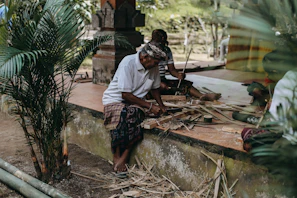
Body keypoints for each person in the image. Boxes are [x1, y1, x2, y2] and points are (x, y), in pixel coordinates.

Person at [102, 41, 167, 173]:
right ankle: (117, 155)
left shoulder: (152, 66)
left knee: (134, 115)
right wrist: (150, 106)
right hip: (115, 100)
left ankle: (125, 156)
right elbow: (125, 94)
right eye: (155, 62)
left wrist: (161, 106)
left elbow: (155, 89)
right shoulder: (128, 62)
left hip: (136, 103)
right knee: (123, 116)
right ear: (144, 57)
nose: (156, 65)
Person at [150, 29, 221, 101]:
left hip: (162, 80)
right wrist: (156, 83)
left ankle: (202, 96)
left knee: (184, 84)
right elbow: (142, 75)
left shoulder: (166, 50)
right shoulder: (146, 51)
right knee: (154, 90)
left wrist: (178, 75)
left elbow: (172, 70)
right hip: (149, 82)